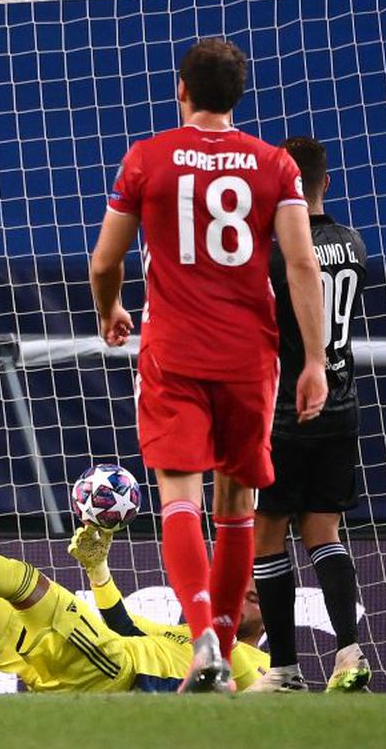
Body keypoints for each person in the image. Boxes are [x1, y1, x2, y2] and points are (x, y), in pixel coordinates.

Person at [88, 38, 328, 692]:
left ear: (181, 90)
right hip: (250, 356)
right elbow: (303, 263)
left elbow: (105, 261)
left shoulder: (148, 158)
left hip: (175, 350)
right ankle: (222, 645)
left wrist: (110, 310)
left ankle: (201, 641)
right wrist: (312, 359)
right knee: (237, 504)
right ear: (238, 95)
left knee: (179, 498)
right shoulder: (273, 164)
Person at [0, 462, 270, 692]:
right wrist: (98, 569)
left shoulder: (263, 664)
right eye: (244, 580)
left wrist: (225, 648)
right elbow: (123, 625)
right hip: (86, 670)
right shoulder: (181, 634)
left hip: (115, 671)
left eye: (257, 587)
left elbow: (256, 705)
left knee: (22, 579)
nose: (248, 586)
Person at [250, 136, 371, 693]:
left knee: (267, 536)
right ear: (328, 182)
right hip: (341, 406)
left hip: (285, 407)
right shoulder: (353, 244)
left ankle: (286, 670)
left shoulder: (276, 253)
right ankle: (349, 650)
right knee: (324, 531)